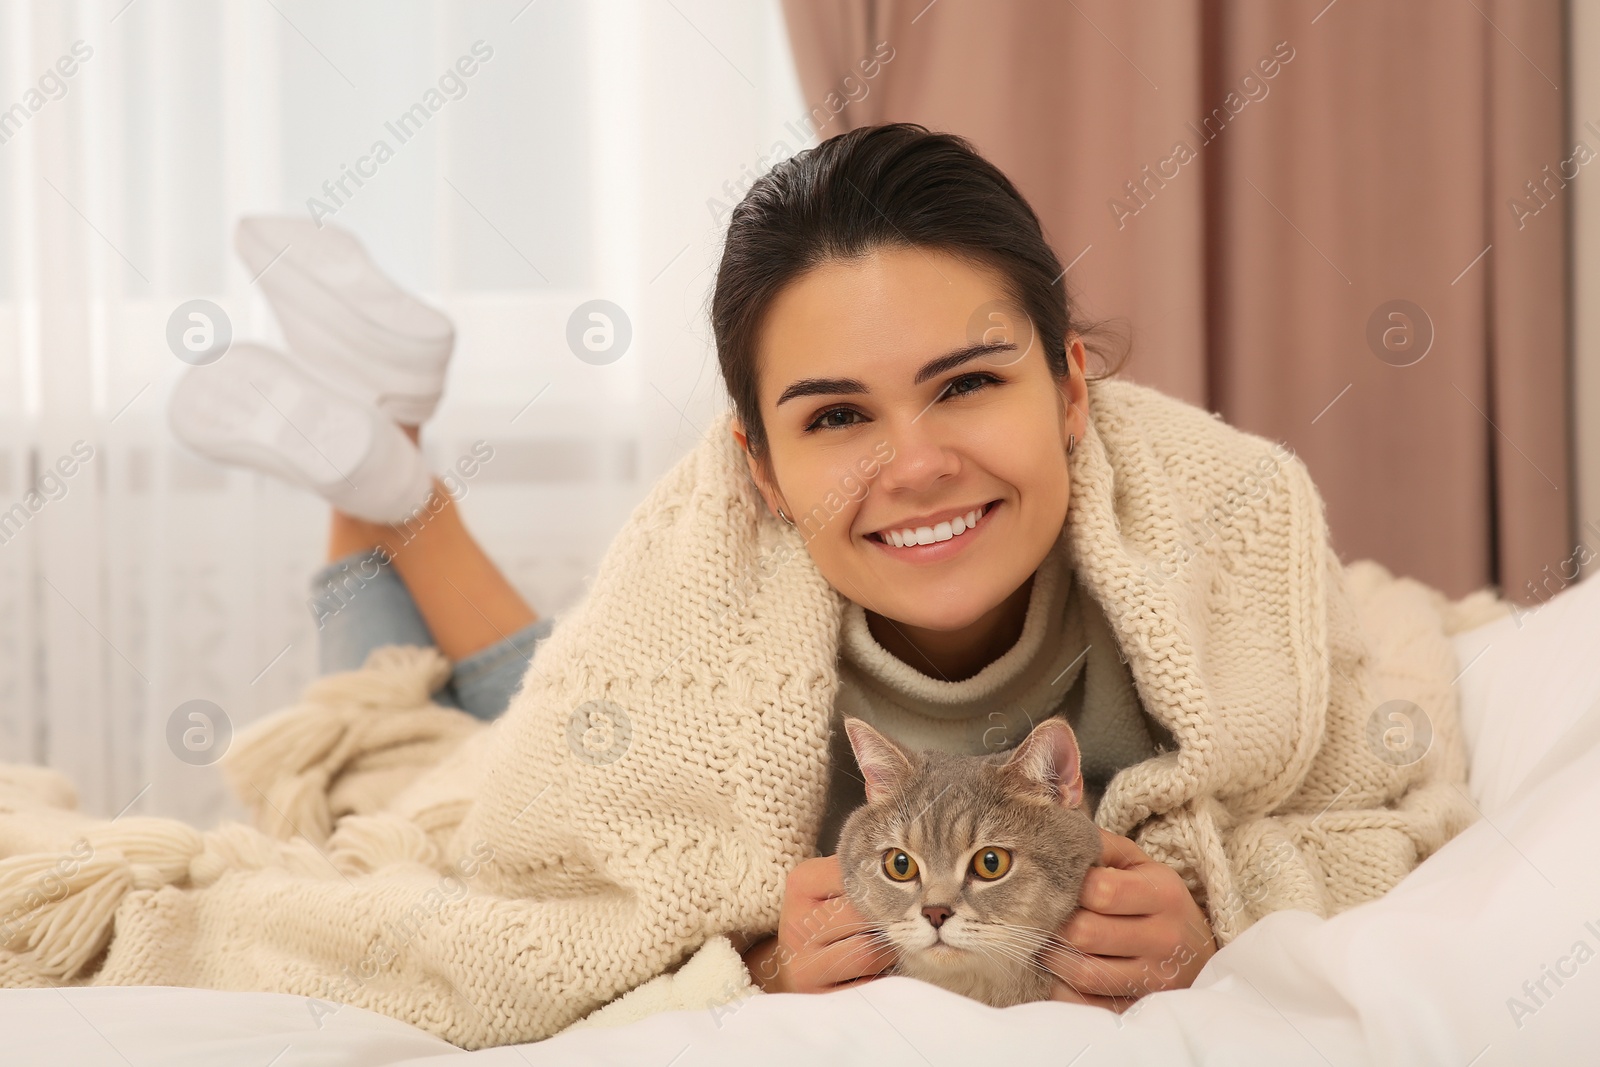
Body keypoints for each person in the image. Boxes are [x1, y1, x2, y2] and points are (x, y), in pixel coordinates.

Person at [169, 123, 1217, 1014]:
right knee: (391, 770)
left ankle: (385, 441)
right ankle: (398, 481)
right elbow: (564, 875)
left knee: (409, 720)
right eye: (839, 413)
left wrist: (1210, 925)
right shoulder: (691, 599)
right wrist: (756, 962)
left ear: (1071, 387)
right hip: (565, 744)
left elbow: (1336, 818)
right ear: (754, 461)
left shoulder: (1215, 554)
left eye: (967, 383)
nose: (918, 467)